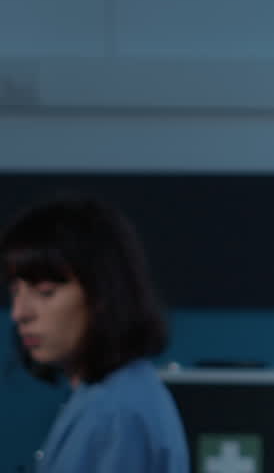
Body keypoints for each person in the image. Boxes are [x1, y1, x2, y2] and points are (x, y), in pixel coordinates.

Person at [2, 197, 189, 473]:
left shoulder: (116, 413)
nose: (19, 313)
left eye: (45, 292)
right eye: (15, 291)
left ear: (102, 294)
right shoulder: (103, 398)